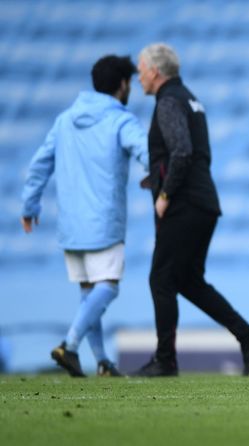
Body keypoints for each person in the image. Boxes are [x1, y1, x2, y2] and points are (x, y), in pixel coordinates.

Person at [133, 43, 249, 377]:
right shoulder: (189, 99)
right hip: (203, 202)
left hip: (184, 204)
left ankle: (165, 360)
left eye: (141, 69)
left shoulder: (168, 101)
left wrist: (164, 193)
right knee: (189, 282)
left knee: (161, 279)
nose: (138, 77)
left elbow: (181, 151)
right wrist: (154, 178)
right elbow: (191, 153)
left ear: (155, 71)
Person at [21, 55, 148, 377]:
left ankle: (102, 362)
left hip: (71, 224)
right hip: (104, 221)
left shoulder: (65, 120)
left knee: (89, 292)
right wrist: (159, 175)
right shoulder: (121, 121)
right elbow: (145, 151)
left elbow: (40, 163)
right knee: (108, 287)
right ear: (122, 84)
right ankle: (70, 344)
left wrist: (29, 206)